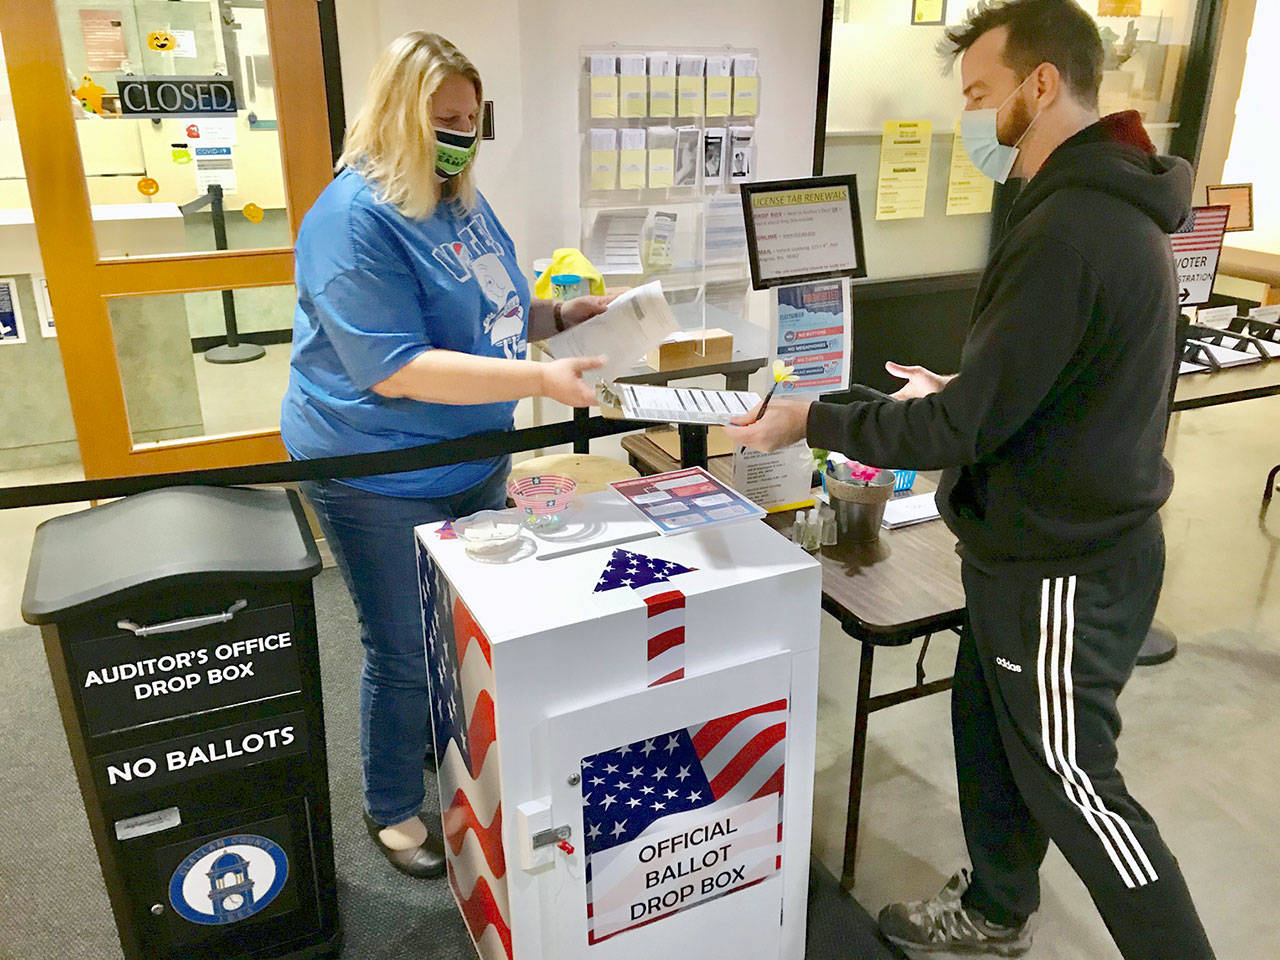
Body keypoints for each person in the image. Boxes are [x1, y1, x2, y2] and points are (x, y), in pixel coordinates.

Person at [725, 1, 1215, 957]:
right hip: (1019, 546)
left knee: (1078, 788)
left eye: (983, 95)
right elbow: (1055, 383)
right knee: (991, 738)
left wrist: (811, 415)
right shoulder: (1089, 209)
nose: (974, 121)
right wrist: (970, 386)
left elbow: (958, 428)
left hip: (1065, 565)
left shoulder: (1073, 224)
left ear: (1042, 85)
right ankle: (995, 910)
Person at [281, 32, 610, 879]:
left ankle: (442, 741)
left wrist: (558, 320)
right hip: (376, 465)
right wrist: (540, 376)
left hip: (473, 452)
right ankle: (390, 804)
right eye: (443, 120)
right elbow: (393, 368)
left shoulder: (457, 197)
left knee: (459, 622)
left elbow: (493, 307)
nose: (460, 134)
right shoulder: (352, 220)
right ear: (396, 116)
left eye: (471, 119)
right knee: (398, 639)